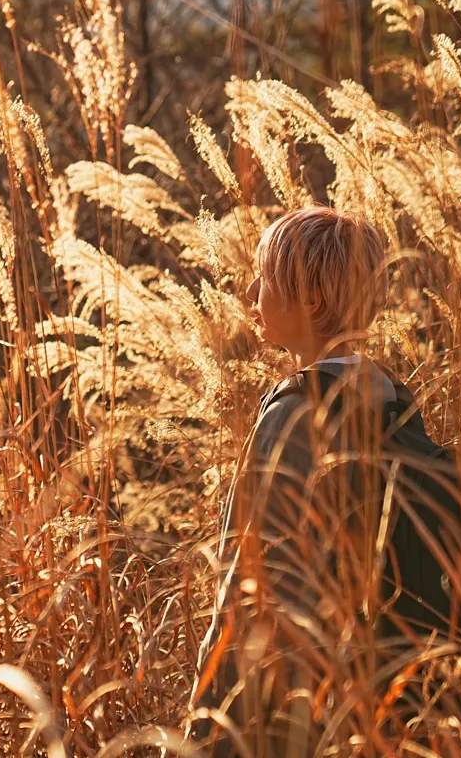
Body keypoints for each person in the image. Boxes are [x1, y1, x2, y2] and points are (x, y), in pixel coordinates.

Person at [186, 206, 395, 757]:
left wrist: (205, 732)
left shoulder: (294, 415)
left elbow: (249, 592)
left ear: (311, 301)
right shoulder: (389, 399)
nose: (251, 289)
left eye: (267, 278)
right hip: (365, 705)